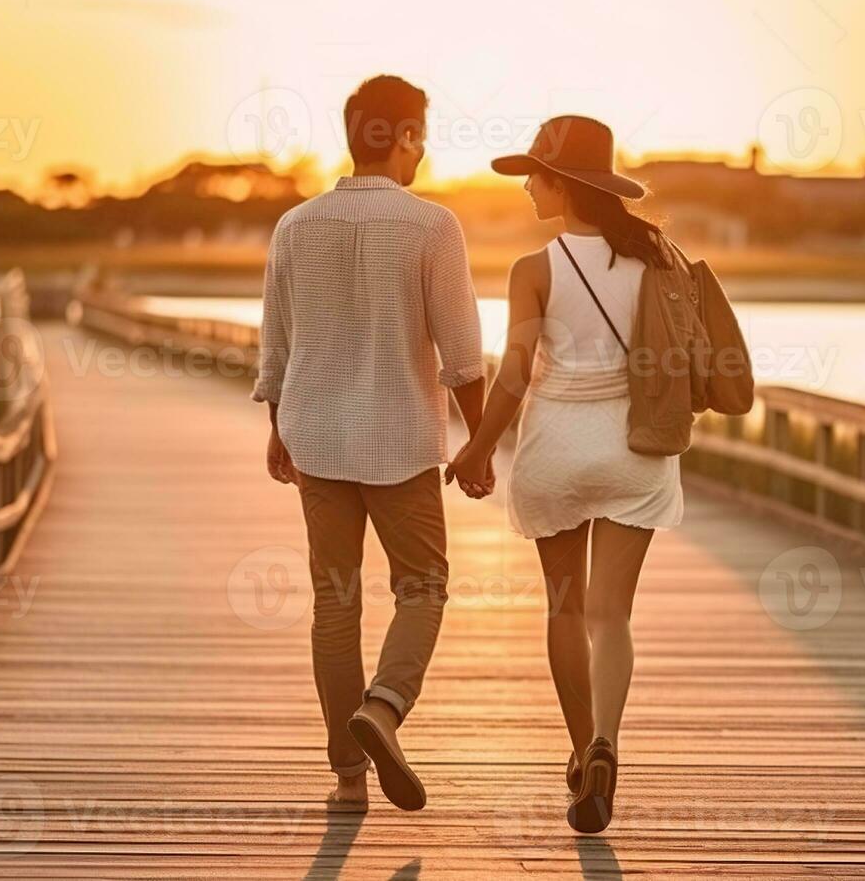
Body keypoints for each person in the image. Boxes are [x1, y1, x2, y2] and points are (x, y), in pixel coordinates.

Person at [252, 75, 490, 814]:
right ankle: (382, 708)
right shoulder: (431, 226)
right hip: (398, 440)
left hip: (316, 434)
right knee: (421, 587)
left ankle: (347, 779)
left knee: (335, 602)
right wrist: (481, 443)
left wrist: (276, 427)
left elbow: (276, 343)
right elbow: (460, 354)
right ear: (408, 137)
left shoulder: (294, 226)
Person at [446, 115, 683, 834]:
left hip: (555, 453)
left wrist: (478, 446)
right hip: (634, 449)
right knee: (611, 617)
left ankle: (582, 752)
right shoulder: (657, 259)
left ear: (564, 183)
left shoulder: (534, 270)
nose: (525, 187)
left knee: (564, 611)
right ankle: (608, 740)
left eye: (535, 175)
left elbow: (514, 373)